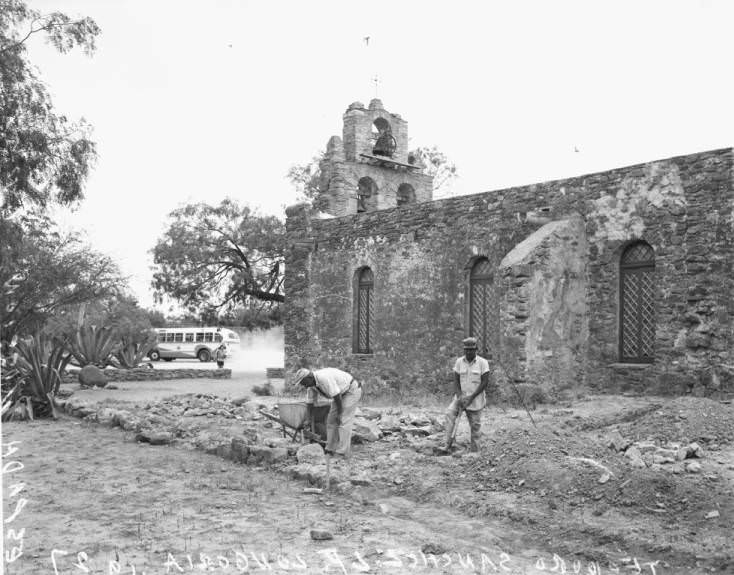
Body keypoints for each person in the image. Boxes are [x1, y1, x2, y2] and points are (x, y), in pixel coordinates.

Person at [294, 367, 362, 458]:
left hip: (351, 390)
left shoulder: (323, 378)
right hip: (339, 395)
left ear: (309, 377)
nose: (304, 386)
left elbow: (337, 396)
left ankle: (342, 452)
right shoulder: (311, 385)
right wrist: (308, 420)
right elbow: (310, 403)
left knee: (344, 420)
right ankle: (330, 448)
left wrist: (339, 413)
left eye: (304, 383)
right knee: (330, 420)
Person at [443, 337, 491, 452]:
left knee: (475, 427)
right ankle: (447, 444)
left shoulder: (483, 363)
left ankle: (475, 452)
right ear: (464, 350)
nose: (469, 352)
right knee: (449, 414)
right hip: (460, 397)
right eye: (466, 350)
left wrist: (471, 397)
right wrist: (459, 397)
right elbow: (456, 380)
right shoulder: (459, 361)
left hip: (475, 399)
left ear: (476, 350)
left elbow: (485, 382)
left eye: (471, 349)